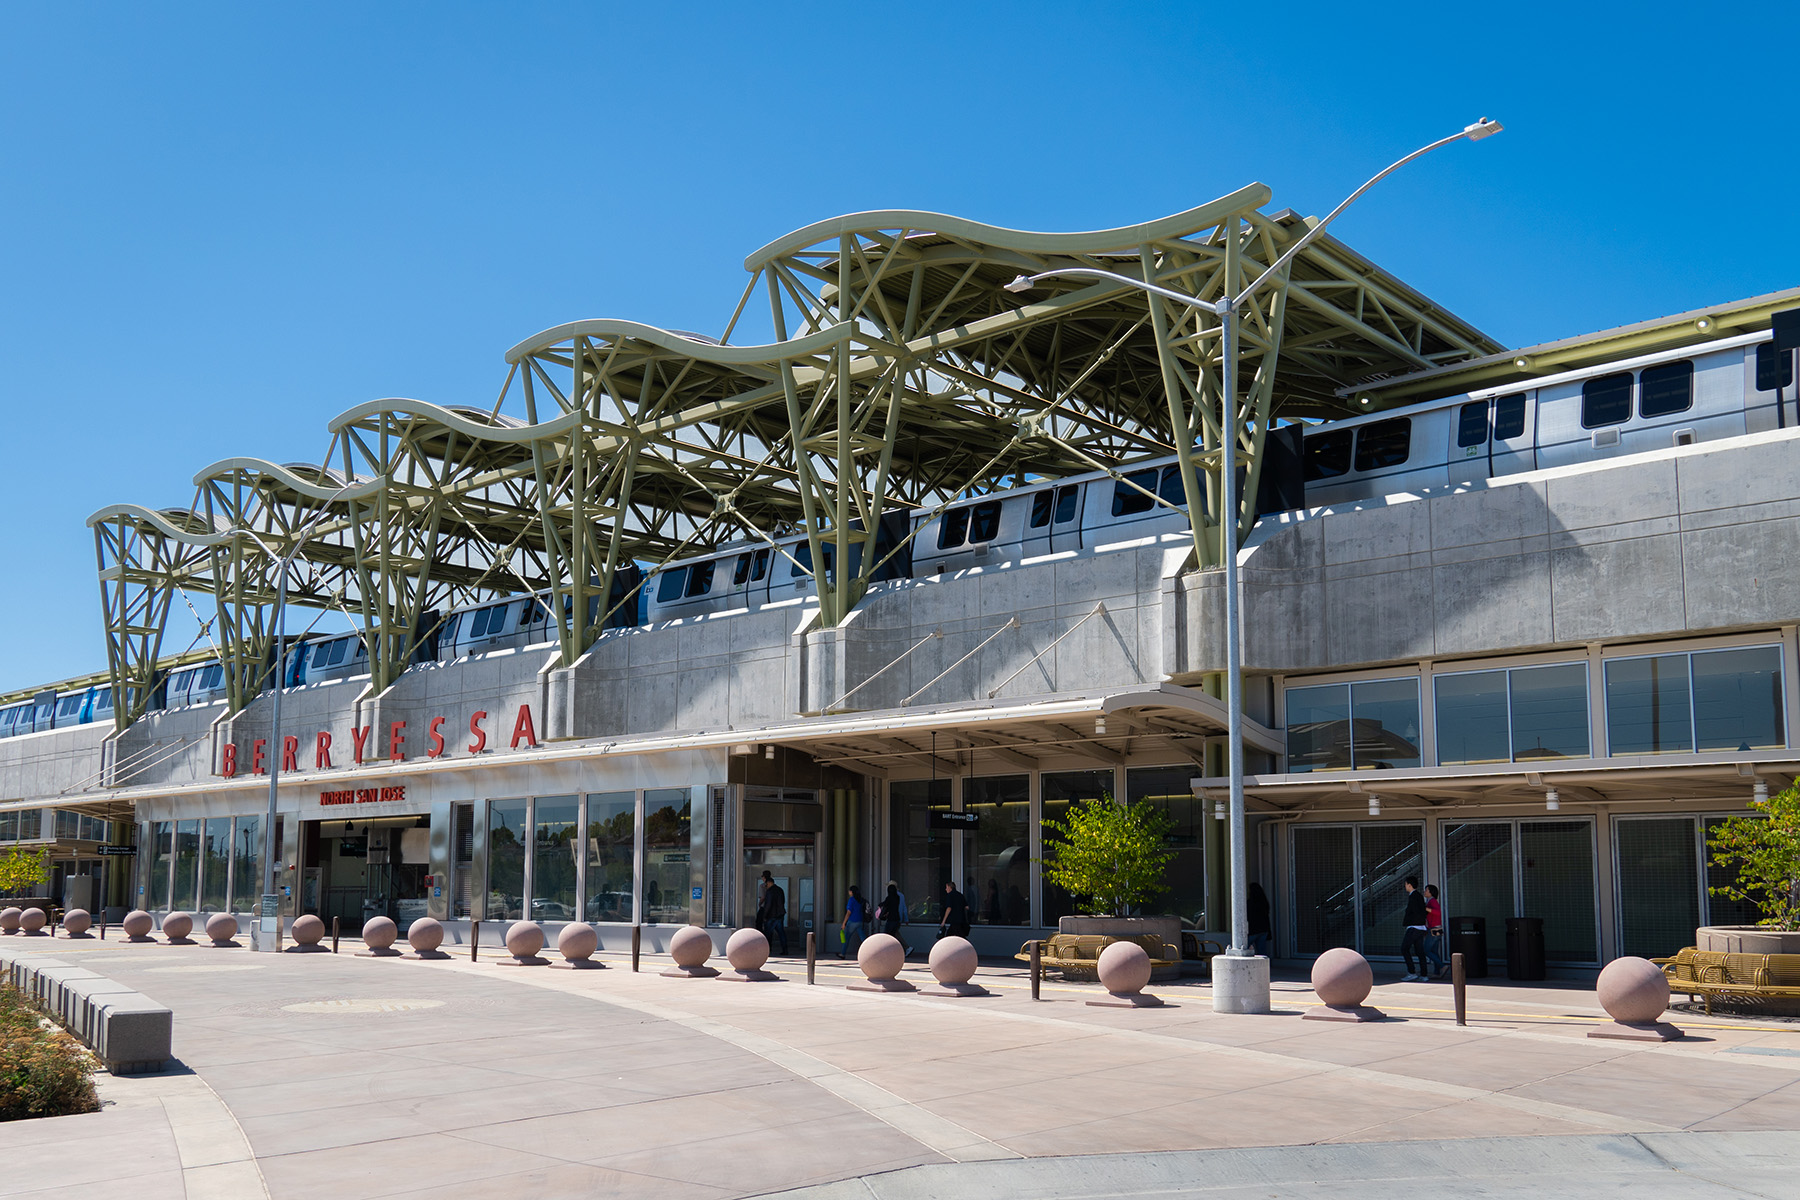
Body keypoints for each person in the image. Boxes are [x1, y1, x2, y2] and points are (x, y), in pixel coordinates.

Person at [1400, 876, 1429, 981]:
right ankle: (1424, 975)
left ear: (1409, 885)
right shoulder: (1419, 896)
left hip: (1414, 927)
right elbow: (1423, 911)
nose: (1405, 886)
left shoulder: (1413, 896)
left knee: (1404, 948)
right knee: (1420, 951)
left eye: (1405, 884)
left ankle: (1412, 972)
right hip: (1421, 928)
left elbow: (1415, 912)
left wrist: (1410, 922)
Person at [876, 881, 909, 955]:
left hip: (891, 919)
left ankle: (889, 951)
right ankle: (903, 949)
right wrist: (906, 919)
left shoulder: (890, 897)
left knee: (888, 936)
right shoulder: (898, 897)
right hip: (897, 918)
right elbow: (904, 908)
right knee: (895, 935)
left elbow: (886, 905)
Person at [760, 870, 788, 954]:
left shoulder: (770, 892)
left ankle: (767, 950)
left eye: (766, 885)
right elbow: (783, 901)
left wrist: (764, 916)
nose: (766, 886)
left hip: (771, 916)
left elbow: (768, 905)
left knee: (768, 934)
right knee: (781, 933)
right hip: (780, 915)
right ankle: (785, 950)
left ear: (769, 883)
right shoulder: (780, 890)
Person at [1423, 884, 1447, 978]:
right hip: (1438, 929)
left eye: (1426, 890)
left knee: (1426, 950)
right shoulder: (1431, 901)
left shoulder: (1432, 901)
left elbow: (1437, 912)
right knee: (1434, 951)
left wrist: (1426, 908)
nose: (1424, 892)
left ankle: (1442, 966)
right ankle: (1437, 972)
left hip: (1434, 929)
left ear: (1431, 892)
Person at [839, 885, 867, 958]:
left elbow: (849, 912)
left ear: (851, 892)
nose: (849, 892)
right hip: (860, 921)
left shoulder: (852, 900)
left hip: (852, 921)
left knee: (846, 938)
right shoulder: (860, 900)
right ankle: (869, 950)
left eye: (849, 891)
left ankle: (842, 953)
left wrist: (844, 923)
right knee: (863, 938)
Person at [1247, 881, 1272, 958]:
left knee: (1243, 948)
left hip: (1253, 930)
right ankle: (1266, 966)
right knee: (1262, 951)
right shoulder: (1264, 902)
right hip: (1263, 929)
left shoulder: (1250, 903)